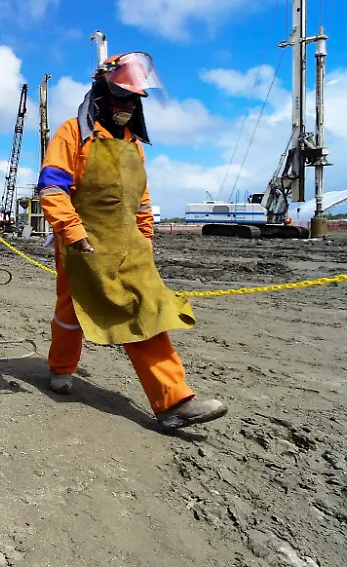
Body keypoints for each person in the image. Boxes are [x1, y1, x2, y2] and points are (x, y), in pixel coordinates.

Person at [36, 52, 227, 431]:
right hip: (82, 246)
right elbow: (52, 188)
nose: (126, 108)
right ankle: (61, 367)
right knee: (71, 309)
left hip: (129, 247)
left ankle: (174, 402)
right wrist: (73, 234)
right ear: (102, 96)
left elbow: (139, 198)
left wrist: (147, 238)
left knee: (144, 310)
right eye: (121, 99)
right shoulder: (73, 133)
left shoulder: (132, 144)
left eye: (132, 101)